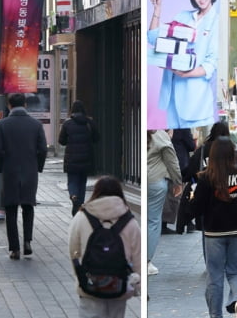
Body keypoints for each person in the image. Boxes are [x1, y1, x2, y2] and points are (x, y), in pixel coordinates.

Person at [191, 137, 237, 318]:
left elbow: (197, 207)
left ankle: (215, 315)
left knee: (215, 276)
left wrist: (191, 201)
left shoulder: (206, 177)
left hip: (214, 232)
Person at [149, 0, 221, 128]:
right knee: (174, 149)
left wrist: (186, 73)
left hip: (196, 101)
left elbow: (211, 63)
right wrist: (157, 10)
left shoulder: (217, 22)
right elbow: (154, 39)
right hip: (171, 96)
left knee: (193, 149)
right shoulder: (183, 16)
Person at [68, 176, 142, 318]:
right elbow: (138, 256)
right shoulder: (129, 221)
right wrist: (139, 285)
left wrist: (79, 276)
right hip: (119, 285)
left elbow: (73, 250)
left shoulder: (82, 217)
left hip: (89, 284)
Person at [0, 93, 48, 260]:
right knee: (28, 207)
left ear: (9, 105)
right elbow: (43, 150)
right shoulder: (36, 125)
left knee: (10, 209)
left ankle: (14, 248)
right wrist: (38, 167)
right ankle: (28, 242)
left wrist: (2, 167)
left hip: (10, 171)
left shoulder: (3, 125)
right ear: (25, 105)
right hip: (30, 171)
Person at [146, 129, 182, 275]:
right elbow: (172, 160)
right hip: (155, 180)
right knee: (153, 221)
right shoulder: (160, 134)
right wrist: (178, 181)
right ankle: (147, 261)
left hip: (146, 180)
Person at [60, 100, 99, 216]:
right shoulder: (89, 123)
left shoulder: (67, 124)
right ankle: (79, 204)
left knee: (72, 180)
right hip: (86, 158)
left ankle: (73, 196)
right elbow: (97, 138)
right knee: (82, 182)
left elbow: (61, 141)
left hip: (71, 158)